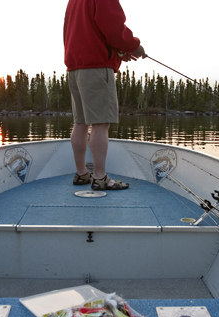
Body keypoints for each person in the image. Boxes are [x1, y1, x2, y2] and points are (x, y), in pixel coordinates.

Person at [64, 0, 145, 190]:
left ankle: (82, 173)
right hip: (96, 67)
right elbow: (113, 27)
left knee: (81, 122)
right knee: (100, 123)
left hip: (75, 67)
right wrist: (133, 46)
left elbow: (88, 31)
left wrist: (119, 51)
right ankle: (99, 178)